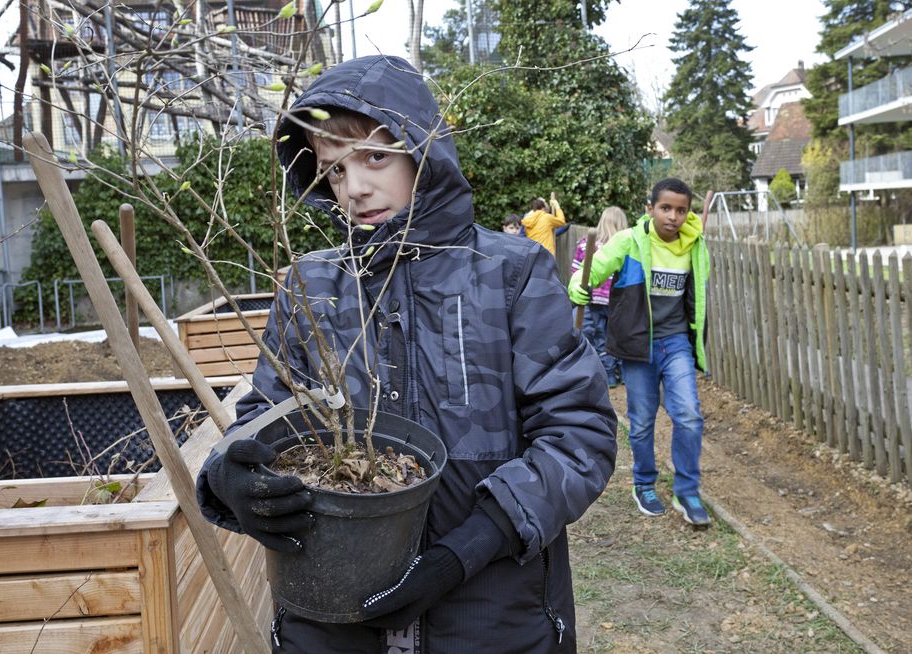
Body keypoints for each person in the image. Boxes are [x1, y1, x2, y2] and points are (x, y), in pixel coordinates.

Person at [196, 55, 617, 654]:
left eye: (374, 157)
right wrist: (233, 478)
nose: (356, 187)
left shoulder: (510, 276)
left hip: (491, 618)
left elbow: (580, 434)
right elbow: (266, 416)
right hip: (333, 626)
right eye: (333, 170)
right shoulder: (309, 287)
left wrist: (468, 547)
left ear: (423, 151)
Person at [567, 178, 711, 526]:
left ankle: (687, 490)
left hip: (676, 342)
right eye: (666, 208)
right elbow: (593, 269)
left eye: (681, 210)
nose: (673, 217)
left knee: (689, 414)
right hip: (637, 346)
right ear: (650, 209)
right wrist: (578, 287)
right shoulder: (629, 241)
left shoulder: (695, 245)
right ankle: (644, 483)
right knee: (643, 421)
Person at [570, 206, 629, 388]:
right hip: (615, 301)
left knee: (597, 338)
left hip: (593, 300)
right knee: (615, 336)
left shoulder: (585, 244)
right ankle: (622, 373)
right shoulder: (625, 248)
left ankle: (607, 375)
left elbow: (575, 272)